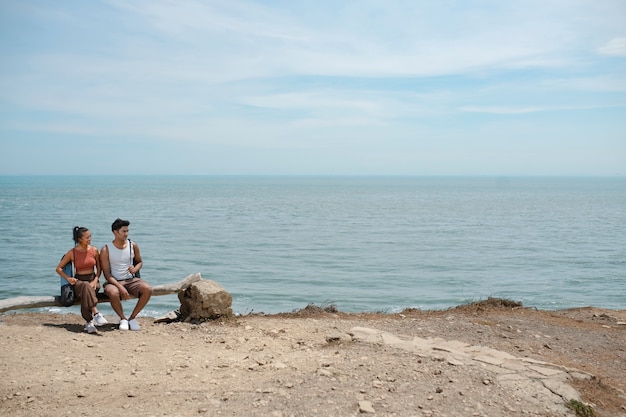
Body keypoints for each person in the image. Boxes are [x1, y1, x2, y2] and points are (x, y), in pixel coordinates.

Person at [100, 218, 152, 331]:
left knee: (148, 289)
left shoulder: (133, 245)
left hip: (131, 280)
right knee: (113, 292)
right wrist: (120, 287)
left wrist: (135, 268)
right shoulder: (106, 249)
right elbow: (107, 274)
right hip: (113, 281)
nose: (126, 233)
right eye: (124, 231)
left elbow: (139, 262)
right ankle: (123, 318)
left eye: (127, 231)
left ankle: (132, 318)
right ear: (115, 232)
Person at [56, 226, 108, 333]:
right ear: (80, 239)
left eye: (90, 236)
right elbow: (58, 269)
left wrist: (95, 280)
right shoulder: (72, 253)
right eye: (87, 237)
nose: (90, 239)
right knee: (85, 286)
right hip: (78, 281)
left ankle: (89, 322)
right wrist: (68, 278)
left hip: (93, 280)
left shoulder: (94, 250)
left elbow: (99, 268)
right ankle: (96, 313)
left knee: (87, 290)